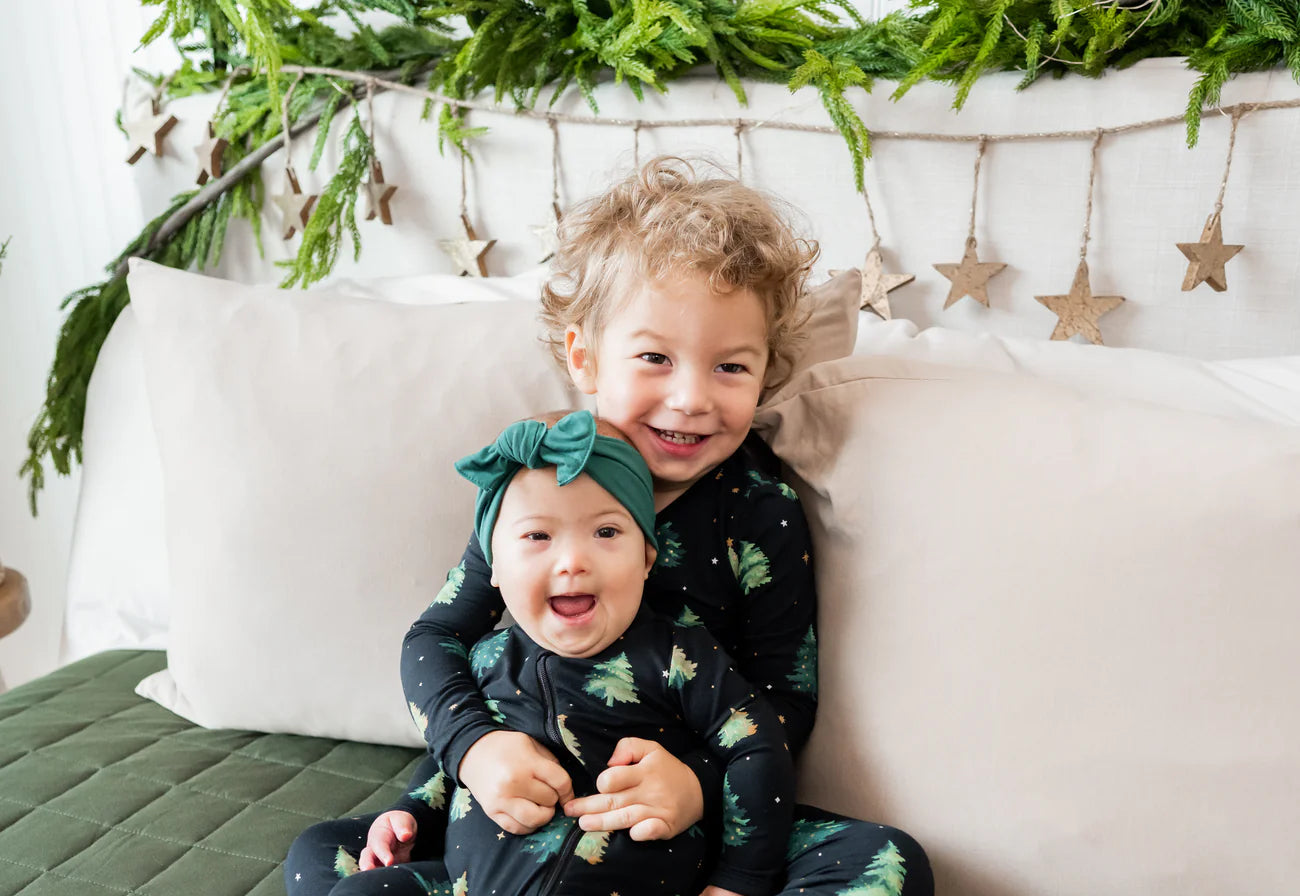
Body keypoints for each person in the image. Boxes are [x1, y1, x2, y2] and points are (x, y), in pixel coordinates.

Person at [286, 157, 932, 896]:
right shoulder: (532, 482)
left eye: (730, 367)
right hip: (522, 808)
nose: (690, 397)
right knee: (326, 860)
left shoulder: (757, 510)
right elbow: (437, 638)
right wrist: (475, 750)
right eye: (655, 357)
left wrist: (695, 785)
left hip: (688, 821)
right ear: (585, 357)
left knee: (887, 863)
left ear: (765, 372)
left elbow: (785, 697)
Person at [351, 410, 794, 896]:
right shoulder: (484, 660)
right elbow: (447, 759)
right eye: (538, 536)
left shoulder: (680, 657)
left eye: (605, 533)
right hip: (472, 882)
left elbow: (759, 743)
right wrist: (409, 816)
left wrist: (740, 880)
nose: (573, 563)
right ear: (491, 566)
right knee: (338, 868)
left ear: (647, 559)